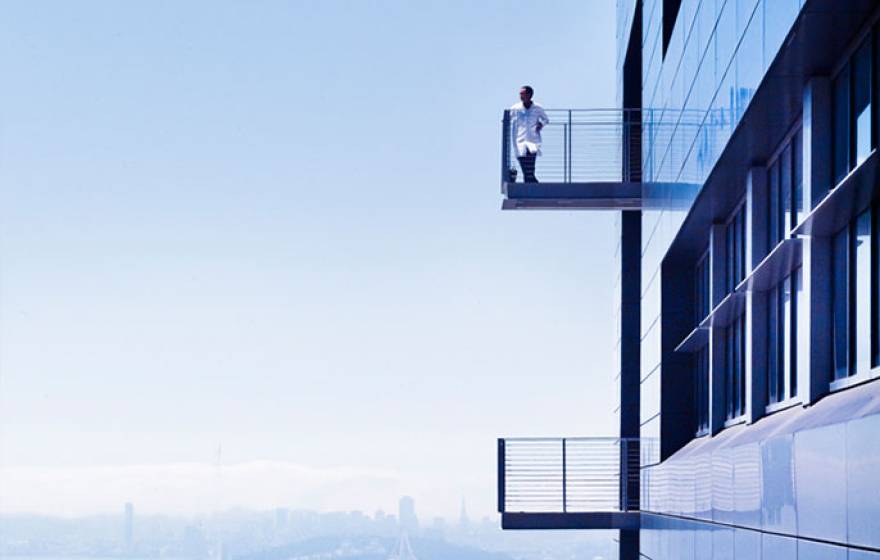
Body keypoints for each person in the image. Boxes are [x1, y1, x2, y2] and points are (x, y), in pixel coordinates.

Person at [510, 85, 549, 183]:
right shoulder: (515, 108)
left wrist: (541, 124)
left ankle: (530, 185)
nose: (521, 96)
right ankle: (533, 184)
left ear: (529, 95)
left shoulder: (537, 108)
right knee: (525, 168)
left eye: (523, 94)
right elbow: (508, 119)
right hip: (519, 142)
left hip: (532, 141)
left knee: (531, 167)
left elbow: (546, 119)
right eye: (520, 94)